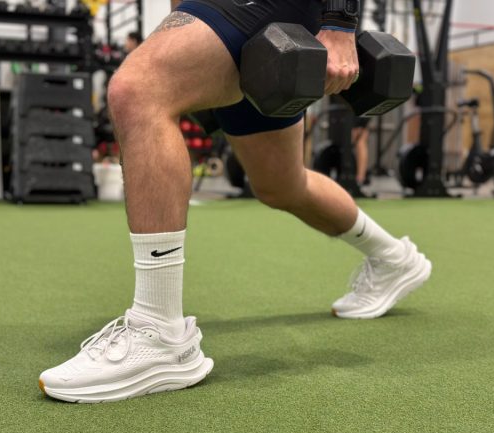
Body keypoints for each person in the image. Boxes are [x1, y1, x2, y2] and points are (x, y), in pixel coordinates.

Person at [38, 0, 432, 403]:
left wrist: (340, 22)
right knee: (280, 184)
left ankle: (159, 334)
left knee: (138, 89)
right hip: (220, 11)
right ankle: (394, 258)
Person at [352, 117, 370, 185]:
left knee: (361, 143)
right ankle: (360, 178)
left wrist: (360, 125)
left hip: (358, 122)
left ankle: (360, 178)